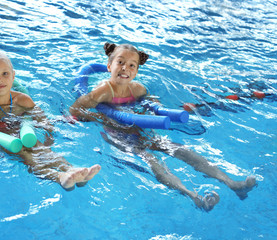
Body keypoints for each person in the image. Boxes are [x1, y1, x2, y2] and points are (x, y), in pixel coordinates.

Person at [69, 42, 256, 211]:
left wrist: (154, 108)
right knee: (152, 160)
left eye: (132, 65)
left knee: (182, 151)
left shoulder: (138, 89)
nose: (125, 68)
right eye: (120, 62)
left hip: (141, 128)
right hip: (118, 134)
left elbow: (149, 103)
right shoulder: (102, 91)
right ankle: (195, 197)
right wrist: (98, 118)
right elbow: (76, 108)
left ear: (136, 72)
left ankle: (233, 184)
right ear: (109, 66)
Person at [0, 50, 100, 190]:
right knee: (26, 156)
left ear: (13, 76)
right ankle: (59, 177)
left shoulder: (21, 99)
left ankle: (73, 171)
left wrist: (49, 135)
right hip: (1, 136)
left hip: (23, 129)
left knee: (43, 149)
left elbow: (42, 118)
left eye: (5, 73)